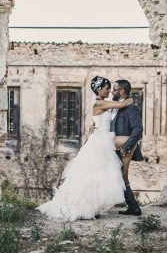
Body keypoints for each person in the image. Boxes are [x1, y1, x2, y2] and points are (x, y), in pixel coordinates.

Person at [37, 76, 133, 221]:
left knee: (97, 176)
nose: (109, 91)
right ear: (99, 89)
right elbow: (123, 104)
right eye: (107, 88)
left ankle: (93, 207)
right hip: (101, 140)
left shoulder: (102, 103)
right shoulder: (100, 103)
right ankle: (87, 207)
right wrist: (129, 98)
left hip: (102, 137)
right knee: (93, 176)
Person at [111, 79, 143, 216]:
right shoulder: (115, 106)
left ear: (122, 91)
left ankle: (134, 207)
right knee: (120, 177)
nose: (112, 91)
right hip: (111, 147)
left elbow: (138, 129)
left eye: (114, 89)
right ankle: (134, 207)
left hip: (123, 148)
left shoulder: (131, 108)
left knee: (121, 176)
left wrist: (126, 146)